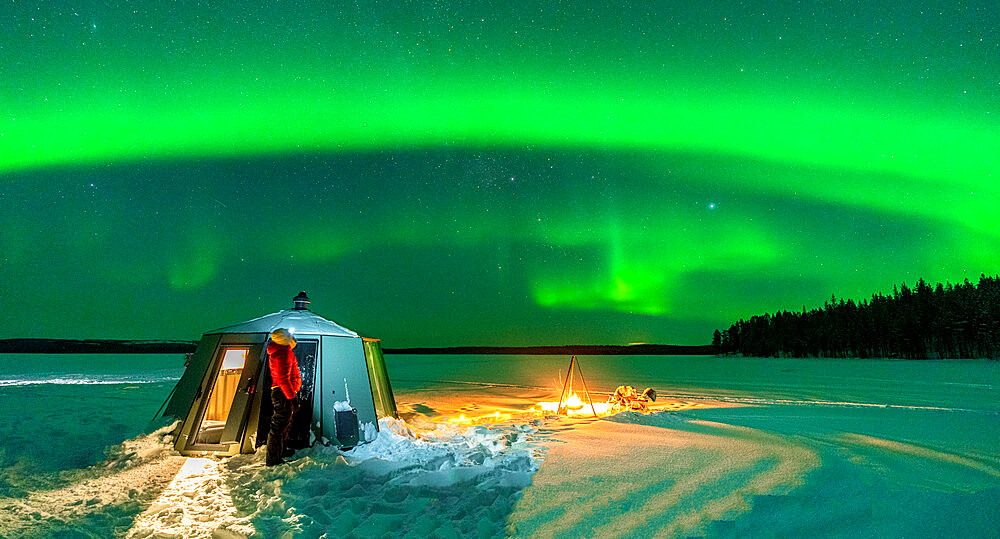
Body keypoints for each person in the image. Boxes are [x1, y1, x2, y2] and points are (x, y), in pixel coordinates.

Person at [266, 328, 302, 466]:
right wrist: (292, 397)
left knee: (283, 425)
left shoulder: (281, 351)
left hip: (282, 392)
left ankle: (280, 451)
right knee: (278, 427)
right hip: (283, 394)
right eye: (291, 335)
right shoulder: (283, 353)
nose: (293, 337)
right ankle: (273, 459)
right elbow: (283, 379)